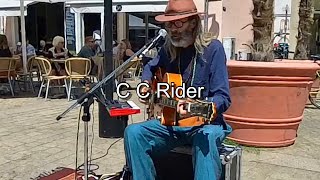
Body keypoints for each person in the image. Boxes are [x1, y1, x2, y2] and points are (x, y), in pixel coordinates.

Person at [123, 0, 232, 180]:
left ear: (193, 22)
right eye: (169, 23)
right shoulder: (167, 49)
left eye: (178, 22)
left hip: (206, 124)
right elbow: (150, 67)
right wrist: (145, 84)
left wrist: (197, 106)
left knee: (205, 137)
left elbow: (223, 98)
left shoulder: (213, 49)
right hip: (173, 124)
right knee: (134, 133)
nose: (172, 28)